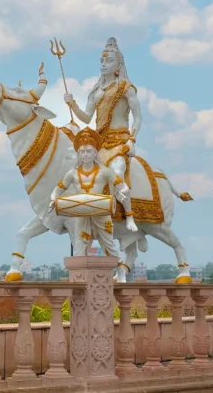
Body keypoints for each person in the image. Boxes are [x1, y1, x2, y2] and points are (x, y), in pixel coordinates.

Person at [49, 127, 138, 282]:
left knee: (108, 245)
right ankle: (77, 277)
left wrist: (122, 190)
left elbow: (120, 185)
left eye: (89, 151)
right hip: (82, 214)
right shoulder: (73, 174)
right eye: (82, 151)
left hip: (101, 212)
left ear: (95, 153)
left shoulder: (104, 171)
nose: (85, 155)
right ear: (78, 154)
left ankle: (121, 271)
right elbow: (58, 189)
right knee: (80, 245)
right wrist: (53, 199)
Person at [63, 37, 142, 180]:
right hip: (98, 143)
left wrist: (132, 140)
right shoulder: (96, 91)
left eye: (109, 61)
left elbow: (138, 117)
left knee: (117, 174)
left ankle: (124, 202)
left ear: (119, 66)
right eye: (102, 61)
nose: (104, 64)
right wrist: (72, 104)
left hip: (119, 142)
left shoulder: (125, 88)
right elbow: (87, 117)